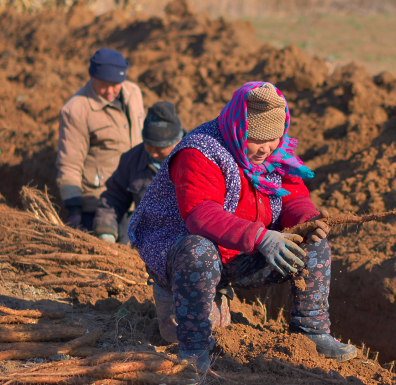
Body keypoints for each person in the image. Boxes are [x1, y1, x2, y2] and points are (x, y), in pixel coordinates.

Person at [128, 82, 357, 370]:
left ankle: (311, 332)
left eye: (273, 139)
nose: (265, 149)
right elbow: (201, 214)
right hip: (184, 257)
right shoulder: (201, 151)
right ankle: (194, 350)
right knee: (199, 251)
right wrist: (259, 237)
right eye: (255, 139)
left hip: (240, 250)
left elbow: (293, 196)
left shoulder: (274, 153)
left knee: (314, 244)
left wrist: (305, 221)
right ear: (237, 128)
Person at [56, 48, 145, 230]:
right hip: (99, 201)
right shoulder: (76, 110)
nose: (110, 91)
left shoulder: (133, 93)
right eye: (104, 84)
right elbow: (70, 163)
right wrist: (73, 208)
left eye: (116, 84)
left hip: (135, 199)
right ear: (92, 77)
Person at [94, 102, 185, 244]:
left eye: (160, 149)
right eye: (149, 146)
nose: (153, 154)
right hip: (147, 234)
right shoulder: (132, 159)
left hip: (185, 236)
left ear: (177, 141)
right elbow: (113, 198)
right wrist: (106, 231)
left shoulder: (196, 158)